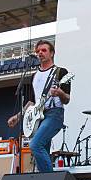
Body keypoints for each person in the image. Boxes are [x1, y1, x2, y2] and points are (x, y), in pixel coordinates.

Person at [7, 40, 71, 172]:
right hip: (39, 116)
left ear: (52, 53)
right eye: (38, 51)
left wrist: (59, 92)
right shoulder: (34, 76)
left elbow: (67, 99)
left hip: (54, 113)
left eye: (44, 50)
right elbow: (31, 102)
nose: (40, 53)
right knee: (43, 151)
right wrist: (18, 116)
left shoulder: (60, 72)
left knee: (35, 145)